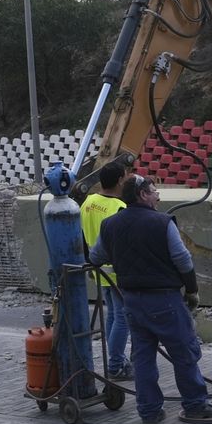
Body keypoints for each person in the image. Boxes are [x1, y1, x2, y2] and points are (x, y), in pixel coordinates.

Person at [89, 175, 212, 424]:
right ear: (142, 195)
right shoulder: (162, 223)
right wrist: (192, 290)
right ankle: (195, 404)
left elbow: (96, 257)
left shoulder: (110, 225)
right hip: (164, 299)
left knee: (142, 356)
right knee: (184, 351)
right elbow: (183, 259)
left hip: (132, 300)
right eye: (153, 191)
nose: (158, 196)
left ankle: (149, 411)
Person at [79, 161, 131, 378]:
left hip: (98, 269)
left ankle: (114, 358)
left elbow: (82, 236)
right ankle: (116, 365)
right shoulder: (119, 208)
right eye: (126, 176)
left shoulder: (88, 202)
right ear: (119, 180)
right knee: (122, 318)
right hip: (117, 273)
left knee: (111, 316)